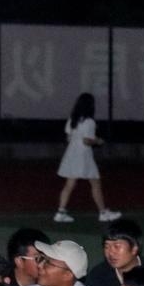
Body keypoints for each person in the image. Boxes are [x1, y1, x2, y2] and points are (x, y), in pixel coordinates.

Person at [54, 92, 121, 224]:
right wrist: (97, 141)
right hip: (83, 155)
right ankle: (103, 213)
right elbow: (86, 141)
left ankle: (60, 212)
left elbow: (69, 137)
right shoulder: (89, 122)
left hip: (72, 154)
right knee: (95, 182)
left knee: (70, 184)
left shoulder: (73, 119)